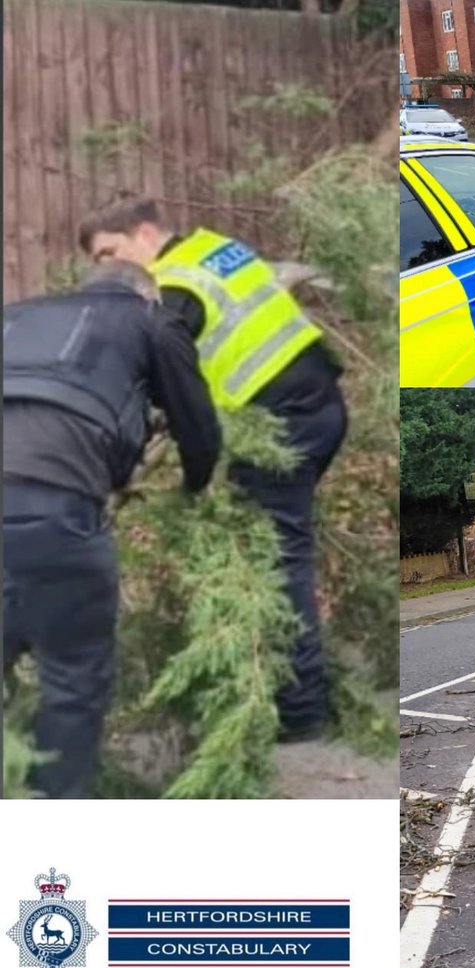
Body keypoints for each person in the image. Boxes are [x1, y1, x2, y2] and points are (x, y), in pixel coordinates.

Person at [79, 197, 348, 742]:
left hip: (278, 430)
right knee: (269, 551)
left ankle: (301, 714)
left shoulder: (171, 289)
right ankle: (292, 687)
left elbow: (173, 395)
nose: (106, 267)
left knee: (277, 561)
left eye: (109, 251)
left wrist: (190, 478)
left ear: (144, 232)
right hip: (319, 407)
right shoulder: (213, 249)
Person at [3, 261, 222, 798]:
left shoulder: (16, 315)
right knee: (72, 679)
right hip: (53, 508)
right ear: (145, 293)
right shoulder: (151, 320)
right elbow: (198, 428)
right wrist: (194, 490)